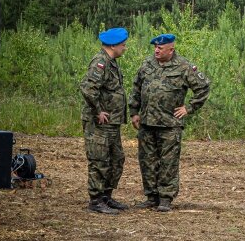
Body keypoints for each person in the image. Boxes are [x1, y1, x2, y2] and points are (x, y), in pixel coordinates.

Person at [129, 33, 210, 212]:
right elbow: (136, 87)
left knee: (168, 162)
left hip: (169, 123)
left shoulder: (184, 66)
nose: (156, 50)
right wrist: (134, 112)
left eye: (160, 48)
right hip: (147, 122)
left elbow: (203, 87)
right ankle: (151, 196)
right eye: (155, 47)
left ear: (171, 49)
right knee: (147, 160)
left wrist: (189, 108)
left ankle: (165, 198)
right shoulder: (147, 64)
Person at [80, 27, 130, 214]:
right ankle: (95, 200)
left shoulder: (112, 62)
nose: (125, 48)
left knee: (116, 159)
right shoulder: (100, 62)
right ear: (112, 45)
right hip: (99, 123)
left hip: (112, 122)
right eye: (123, 45)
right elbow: (88, 88)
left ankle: (106, 197)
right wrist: (98, 111)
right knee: (99, 160)